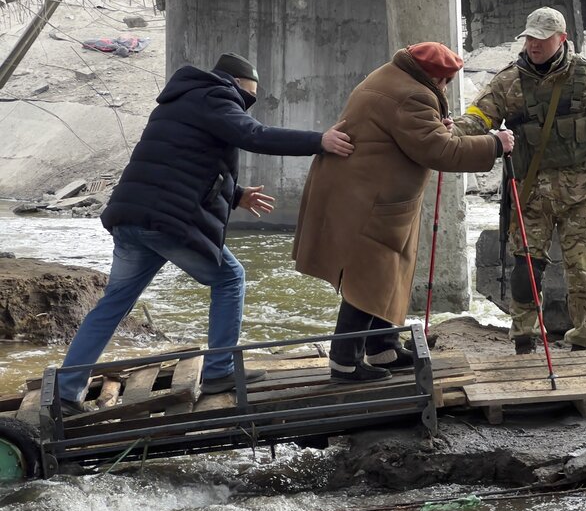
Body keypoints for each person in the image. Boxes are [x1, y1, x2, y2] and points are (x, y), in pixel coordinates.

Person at [58, 52, 355, 415]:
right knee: (231, 278)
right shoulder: (215, 96)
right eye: (250, 94)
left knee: (113, 305)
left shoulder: (181, 100)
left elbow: (184, 163)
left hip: (133, 216)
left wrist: (237, 194)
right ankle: (219, 371)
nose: (249, 101)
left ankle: (66, 391)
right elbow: (253, 134)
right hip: (164, 220)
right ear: (239, 82)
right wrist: (318, 141)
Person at [293, 42, 514, 383]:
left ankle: (383, 346)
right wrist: (495, 144)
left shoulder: (393, 76)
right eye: (444, 81)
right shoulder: (412, 95)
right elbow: (439, 150)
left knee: (388, 275)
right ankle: (344, 362)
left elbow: (415, 135)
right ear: (431, 76)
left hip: (373, 197)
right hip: (367, 200)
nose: (445, 88)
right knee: (366, 278)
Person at [452, 7, 586, 354]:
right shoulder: (509, 81)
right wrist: (453, 130)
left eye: (541, 39)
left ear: (561, 39)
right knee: (525, 270)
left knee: (582, 271)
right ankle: (524, 337)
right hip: (530, 196)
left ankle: (582, 336)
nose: (533, 45)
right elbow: (480, 114)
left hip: (582, 194)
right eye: (529, 38)